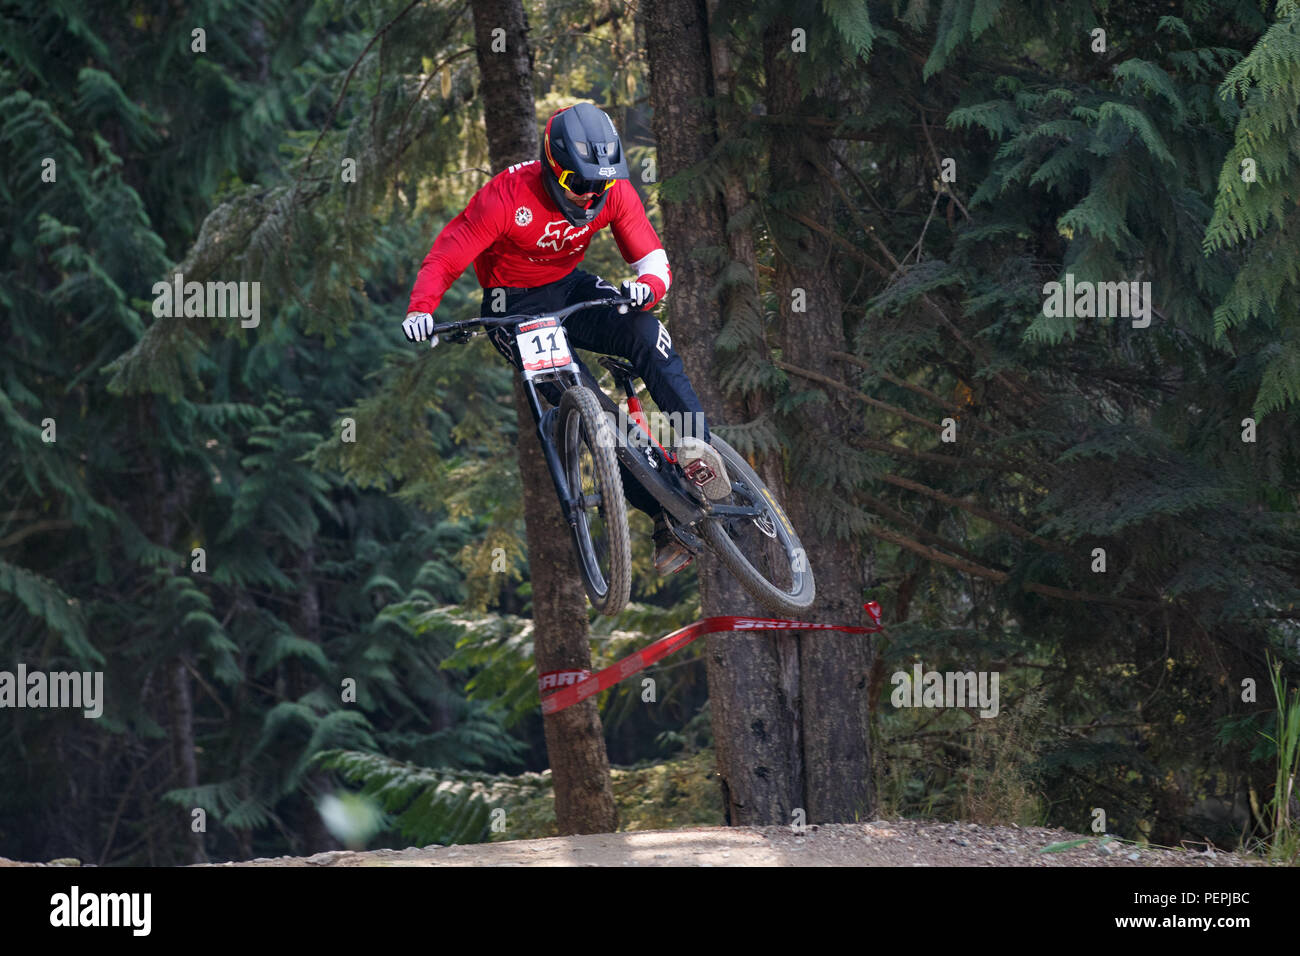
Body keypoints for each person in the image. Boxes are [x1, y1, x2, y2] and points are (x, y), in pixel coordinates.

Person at [402, 102, 729, 574]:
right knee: (592, 408)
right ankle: (663, 517)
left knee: (644, 328)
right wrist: (421, 308)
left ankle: (699, 449)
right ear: (553, 169)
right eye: (579, 184)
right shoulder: (505, 197)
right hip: (511, 307)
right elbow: (447, 254)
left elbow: (652, 258)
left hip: (569, 287)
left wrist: (647, 288)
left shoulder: (612, 190)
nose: (590, 196)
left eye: (600, 184)